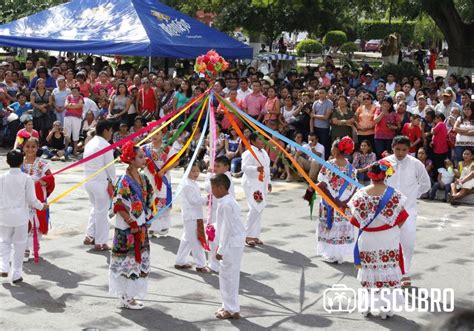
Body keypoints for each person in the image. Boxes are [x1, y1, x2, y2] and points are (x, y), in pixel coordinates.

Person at [348, 160, 409, 319]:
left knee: (370, 271)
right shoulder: (395, 195)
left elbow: (355, 221)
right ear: (385, 175)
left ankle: (367, 307)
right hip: (388, 237)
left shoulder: (360, 194)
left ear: (370, 175)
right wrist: (389, 229)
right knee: (387, 271)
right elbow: (402, 219)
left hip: (368, 238)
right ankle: (386, 309)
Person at [109, 141, 154, 310]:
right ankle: (125, 297)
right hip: (128, 228)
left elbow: (150, 198)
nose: (144, 159)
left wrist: (147, 217)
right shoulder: (124, 180)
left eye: (144, 156)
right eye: (140, 157)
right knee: (127, 261)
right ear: (131, 159)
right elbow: (118, 204)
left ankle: (130, 296)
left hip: (140, 226)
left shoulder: (143, 178)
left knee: (137, 261)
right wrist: (131, 221)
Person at [384, 136, 431, 287]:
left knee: (408, 242)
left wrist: (413, 196)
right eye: (397, 149)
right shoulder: (384, 163)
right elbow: (376, 181)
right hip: (387, 210)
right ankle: (388, 272)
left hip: (408, 210)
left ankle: (405, 272)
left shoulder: (416, 164)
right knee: (388, 241)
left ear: (409, 149)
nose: (400, 153)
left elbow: (426, 184)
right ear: (392, 147)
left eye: (404, 149)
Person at [0, 149, 46, 284]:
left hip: (4, 215)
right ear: (22, 162)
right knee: (19, 245)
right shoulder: (26, 178)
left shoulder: (2, 178)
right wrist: (41, 206)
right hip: (20, 217)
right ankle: (16, 273)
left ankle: (3, 266)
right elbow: (32, 200)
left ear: (7, 161)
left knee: (4, 241)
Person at [316, 137, 358, 264]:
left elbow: (321, 184)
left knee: (331, 226)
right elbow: (355, 188)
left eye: (332, 147)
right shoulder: (352, 168)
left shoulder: (328, 165)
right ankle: (338, 254)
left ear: (336, 149)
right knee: (339, 227)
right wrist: (345, 202)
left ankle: (332, 254)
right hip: (344, 204)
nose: (331, 150)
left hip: (330, 202)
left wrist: (334, 201)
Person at [211, 174, 245, 320]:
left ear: (221, 188)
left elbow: (227, 229)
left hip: (231, 244)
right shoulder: (228, 201)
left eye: (213, 188)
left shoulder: (226, 204)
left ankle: (230, 309)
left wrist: (221, 249)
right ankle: (230, 306)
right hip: (234, 243)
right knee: (230, 275)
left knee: (227, 276)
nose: (212, 191)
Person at [83, 120, 116, 251]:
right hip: (100, 183)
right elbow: (110, 168)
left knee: (96, 209)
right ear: (106, 131)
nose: (112, 133)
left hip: (89, 182)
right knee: (102, 213)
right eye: (111, 130)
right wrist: (114, 183)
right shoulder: (105, 145)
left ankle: (90, 235)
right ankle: (101, 242)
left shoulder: (90, 143)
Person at [21, 137, 55, 262]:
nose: (30, 149)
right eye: (27, 146)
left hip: (38, 199)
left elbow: (51, 178)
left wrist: (43, 182)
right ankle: (25, 248)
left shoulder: (42, 164)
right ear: (23, 147)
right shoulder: (19, 163)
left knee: (38, 223)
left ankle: (34, 244)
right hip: (23, 200)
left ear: (37, 148)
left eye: (33, 147)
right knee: (24, 223)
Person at [175, 162, 210, 273]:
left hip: (194, 215)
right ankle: (200, 264)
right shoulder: (187, 184)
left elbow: (196, 199)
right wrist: (207, 199)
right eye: (193, 171)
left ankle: (180, 261)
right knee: (196, 240)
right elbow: (194, 201)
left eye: (197, 171)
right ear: (186, 171)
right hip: (191, 216)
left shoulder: (192, 183)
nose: (196, 173)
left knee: (187, 239)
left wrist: (205, 198)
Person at [205, 156, 236, 273]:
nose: (215, 168)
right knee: (215, 238)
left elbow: (208, 188)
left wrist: (208, 175)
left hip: (219, 213)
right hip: (217, 212)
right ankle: (215, 262)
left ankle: (214, 264)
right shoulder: (225, 177)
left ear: (226, 167)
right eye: (214, 165)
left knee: (214, 238)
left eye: (218, 166)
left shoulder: (222, 179)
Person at [142, 131, 175, 237]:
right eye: (152, 133)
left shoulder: (167, 148)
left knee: (162, 200)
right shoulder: (144, 148)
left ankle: (163, 227)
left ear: (162, 135)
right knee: (150, 201)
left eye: (157, 133)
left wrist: (164, 170)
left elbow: (176, 161)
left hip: (163, 178)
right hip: (149, 177)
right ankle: (151, 226)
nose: (154, 136)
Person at [241, 133, 271, 247]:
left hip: (262, 183)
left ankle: (255, 235)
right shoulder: (249, 152)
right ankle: (247, 235)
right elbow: (244, 167)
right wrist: (256, 169)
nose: (262, 141)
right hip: (252, 184)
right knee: (255, 207)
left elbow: (267, 169)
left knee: (260, 208)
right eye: (259, 139)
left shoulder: (263, 152)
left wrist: (269, 182)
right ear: (252, 141)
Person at [311, 87, 333, 159]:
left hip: (324, 129)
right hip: (315, 128)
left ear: (326, 93)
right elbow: (311, 118)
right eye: (320, 93)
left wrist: (314, 115)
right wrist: (311, 130)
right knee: (315, 146)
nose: (321, 94)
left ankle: (325, 163)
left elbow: (326, 117)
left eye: (323, 93)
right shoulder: (315, 102)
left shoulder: (329, 102)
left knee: (324, 147)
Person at [64, 86, 84, 156]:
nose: (74, 92)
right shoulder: (68, 97)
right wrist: (75, 105)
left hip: (77, 118)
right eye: (73, 91)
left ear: (79, 91)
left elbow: (79, 106)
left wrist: (71, 105)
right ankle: (65, 150)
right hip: (67, 117)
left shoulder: (80, 97)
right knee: (66, 133)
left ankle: (75, 150)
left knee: (76, 133)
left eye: (76, 91)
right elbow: (66, 105)